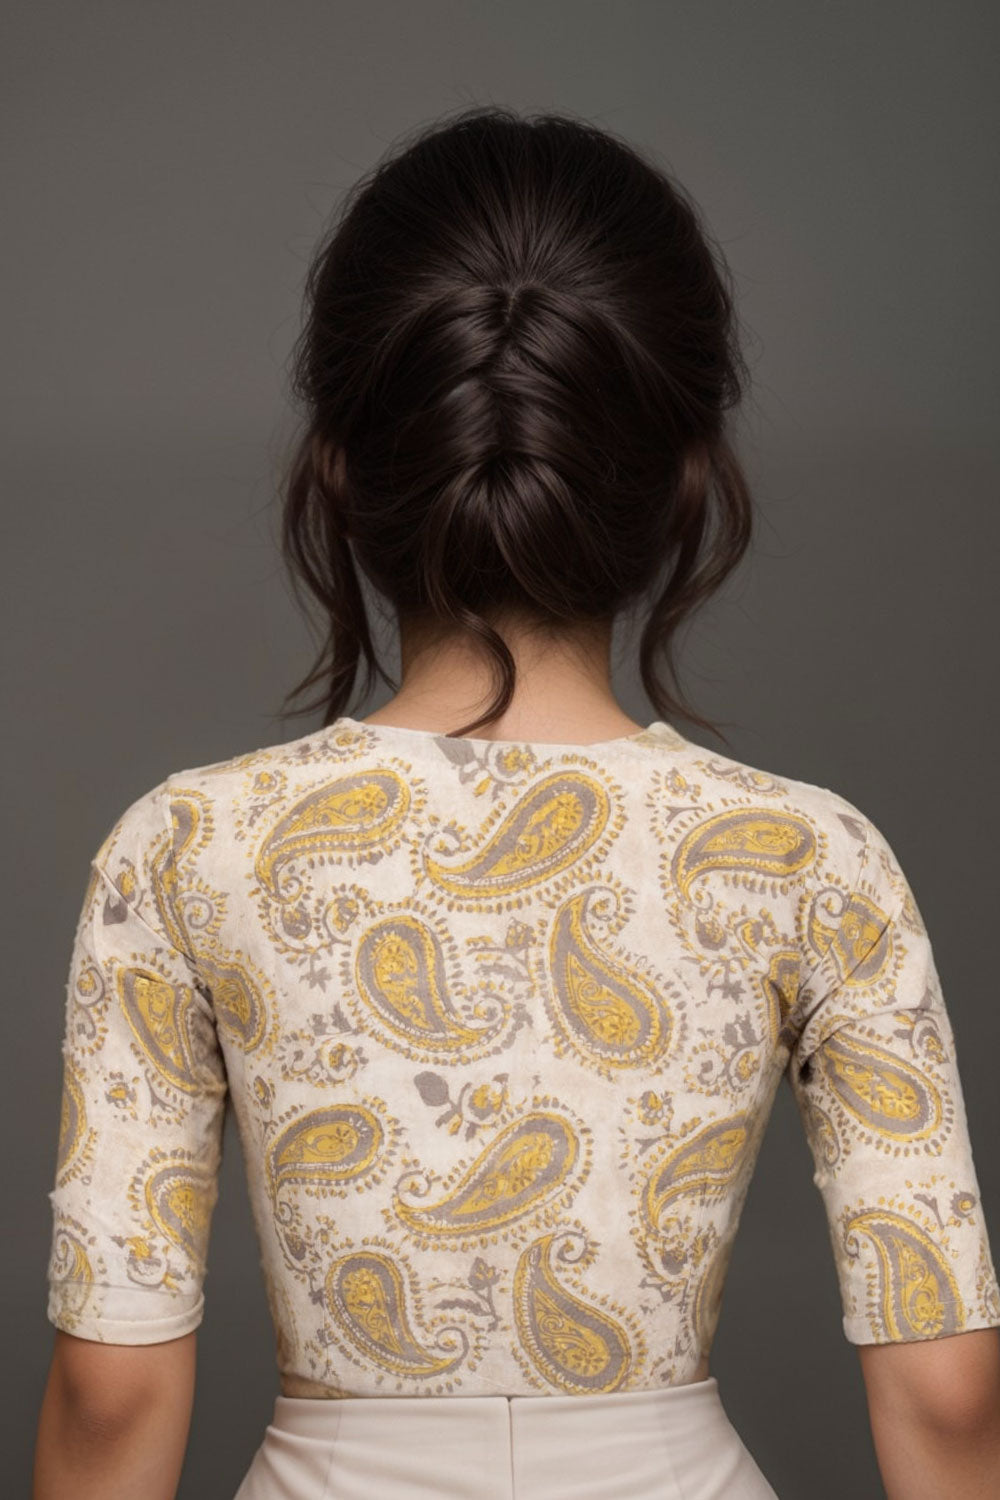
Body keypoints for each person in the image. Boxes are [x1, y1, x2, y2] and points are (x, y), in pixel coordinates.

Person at [32, 104, 1000, 1500]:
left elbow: (111, 1390)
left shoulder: (182, 851)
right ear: (683, 479)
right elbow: (949, 1394)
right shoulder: (811, 859)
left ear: (343, 469)